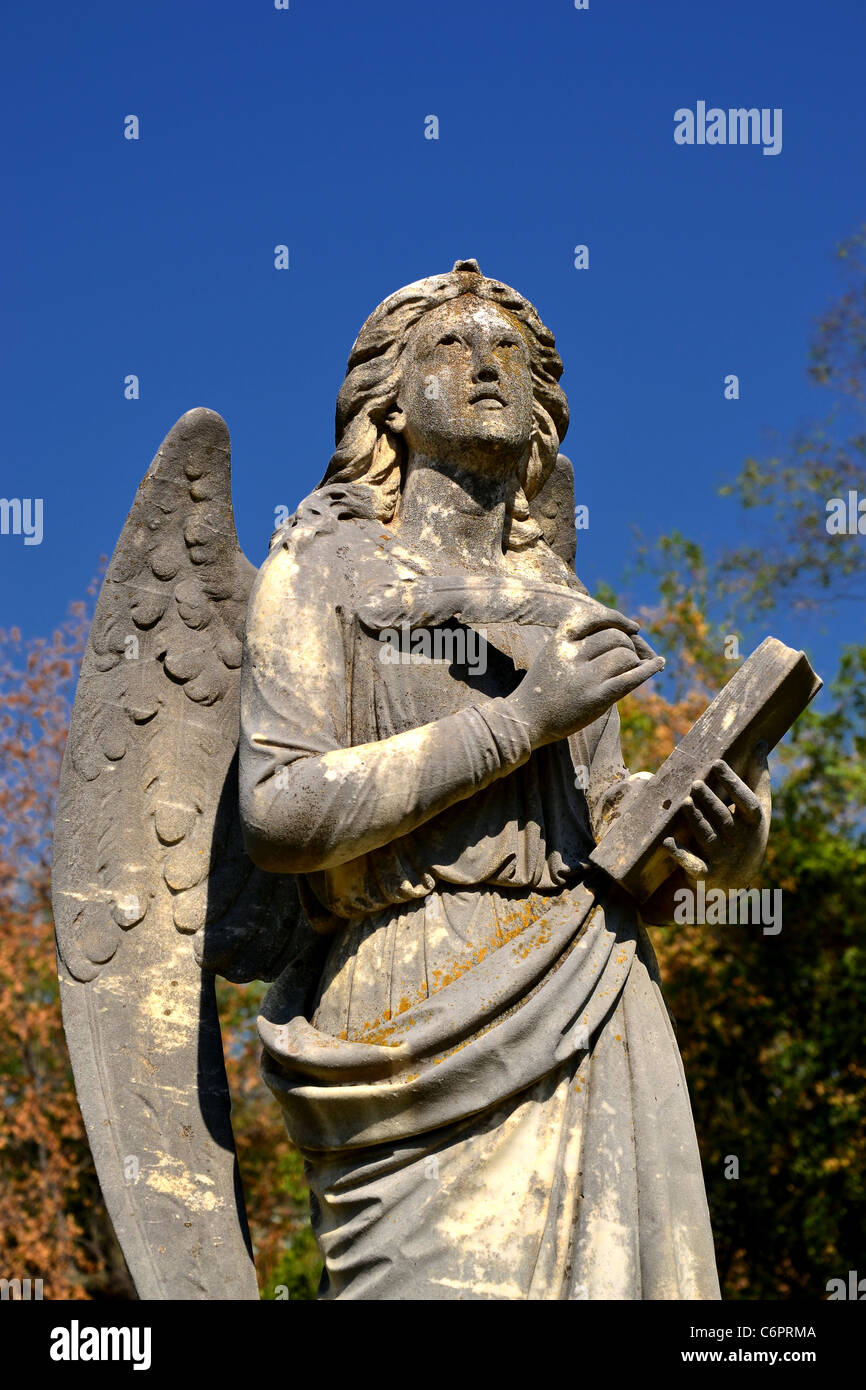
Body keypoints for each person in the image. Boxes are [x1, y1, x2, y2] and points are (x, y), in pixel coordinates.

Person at [238, 261, 769, 1300]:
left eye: (510, 353)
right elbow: (279, 812)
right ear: (388, 396)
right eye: (451, 344)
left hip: (591, 989)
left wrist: (719, 829)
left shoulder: (563, 600)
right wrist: (522, 718)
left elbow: (612, 835)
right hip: (407, 1000)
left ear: (543, 405)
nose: (486, 365)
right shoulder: (321, 568)